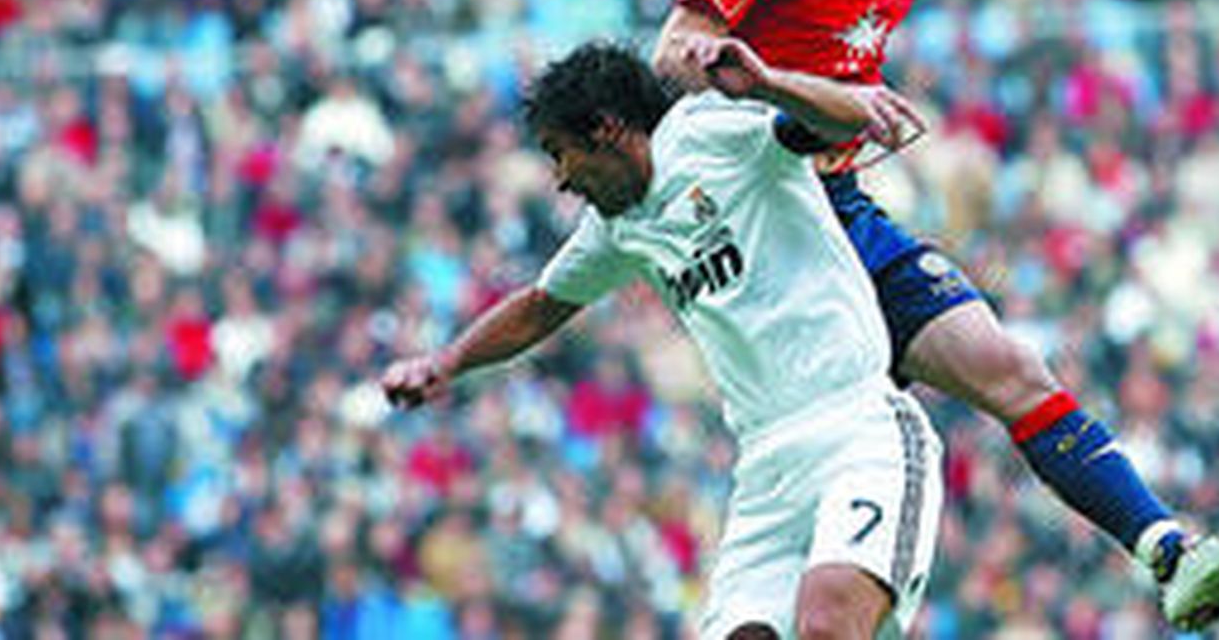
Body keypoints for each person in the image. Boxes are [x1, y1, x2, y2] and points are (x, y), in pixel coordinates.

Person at [652, 0, 1219, 630]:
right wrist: (759, 77)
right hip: (769, 216)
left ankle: (1170, 553)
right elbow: (672, 50)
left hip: (840, 207)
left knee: (1013, 370)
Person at [382, 42, 943, 640]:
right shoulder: (616, 229)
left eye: (560, 153)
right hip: (766, 468)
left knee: (828, 625)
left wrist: (768, 82)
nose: (562, 179)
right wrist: (446, 363)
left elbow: (843, 123)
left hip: (859, 427)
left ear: (606, 130)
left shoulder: (711, 132)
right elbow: (540, 306)